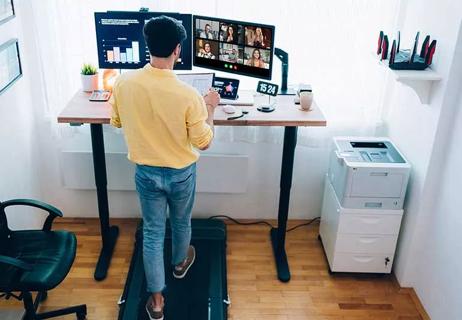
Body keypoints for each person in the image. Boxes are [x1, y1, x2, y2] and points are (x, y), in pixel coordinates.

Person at [109, 16, 220, 320]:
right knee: (181, 222)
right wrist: (211, 106)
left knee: (154, 233)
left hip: (146, 173)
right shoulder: (188, 95)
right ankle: (181, 264)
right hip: (181, 173)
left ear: (148, 47)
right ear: (177, 50)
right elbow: (204, 142)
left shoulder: (123, 83)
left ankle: (157, 302)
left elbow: (116, 121)